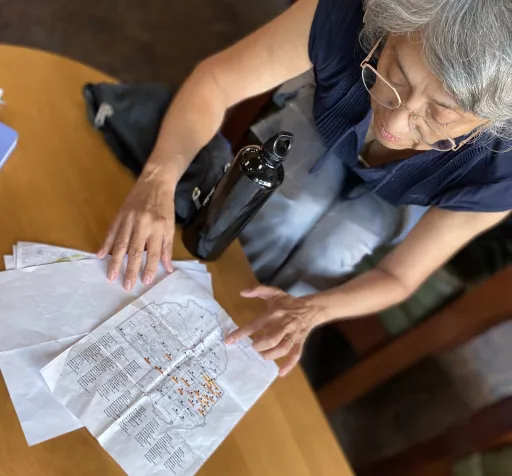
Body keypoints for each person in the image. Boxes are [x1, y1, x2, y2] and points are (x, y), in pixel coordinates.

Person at [98, 0, 512, 376]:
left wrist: (310, 311)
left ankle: (243, 340)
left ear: (489, 124)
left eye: (439, 116)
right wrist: (157, 181)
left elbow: (398, 275)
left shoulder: (502, 168)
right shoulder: (348, 14)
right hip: (323, 119)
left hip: (401, 193)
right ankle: (199, 292)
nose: (395, 124)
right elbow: (216, 83)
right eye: (395, 75)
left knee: (335, 249)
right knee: (283, 209)